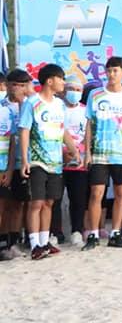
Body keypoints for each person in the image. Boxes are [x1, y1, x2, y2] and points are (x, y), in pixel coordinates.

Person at [83, 56, 122, 250]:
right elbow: (89, 125)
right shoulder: (95, 95)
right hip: (100, 153)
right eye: (108, 70)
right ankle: (93, 234)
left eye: (115, 70)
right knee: (96, 193)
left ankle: (115, 233)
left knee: (121, 192)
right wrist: (87, 152)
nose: (111, 74)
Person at [19, 64, 78, 259]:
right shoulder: (32, 103)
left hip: (56, 163)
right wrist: (25, 160)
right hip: (37, 162)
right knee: (36, 203)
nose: (63, 83)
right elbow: (24, 131)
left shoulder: (59, 104)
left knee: (49, 202)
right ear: (49, 80)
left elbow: (63, 130)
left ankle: (45, 242)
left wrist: (73, 150)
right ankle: (34, 244)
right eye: (61, 79)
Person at [1, 68, 32, 260]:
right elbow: (10, 139)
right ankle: (4, 241)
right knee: (5, 204)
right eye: (13, 85)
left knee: (20, 204)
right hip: (6, 163)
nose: (16, 89)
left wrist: (23, 103)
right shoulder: (3, 107)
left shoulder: (30, 105)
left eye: (21, 85)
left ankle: (15, 241)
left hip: (24, 162)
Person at [61, 74, 89, 246]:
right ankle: (55, 233)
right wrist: (64, 151)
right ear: (64, 90)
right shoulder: (57, 108)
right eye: (71, 89)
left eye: (78, 90)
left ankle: (77, 231)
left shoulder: (86, 110)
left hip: (80, 162)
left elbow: (88, 134)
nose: (74, 92)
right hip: (58, 161)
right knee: (54, 200)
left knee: (78, 199)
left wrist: (78, 152)